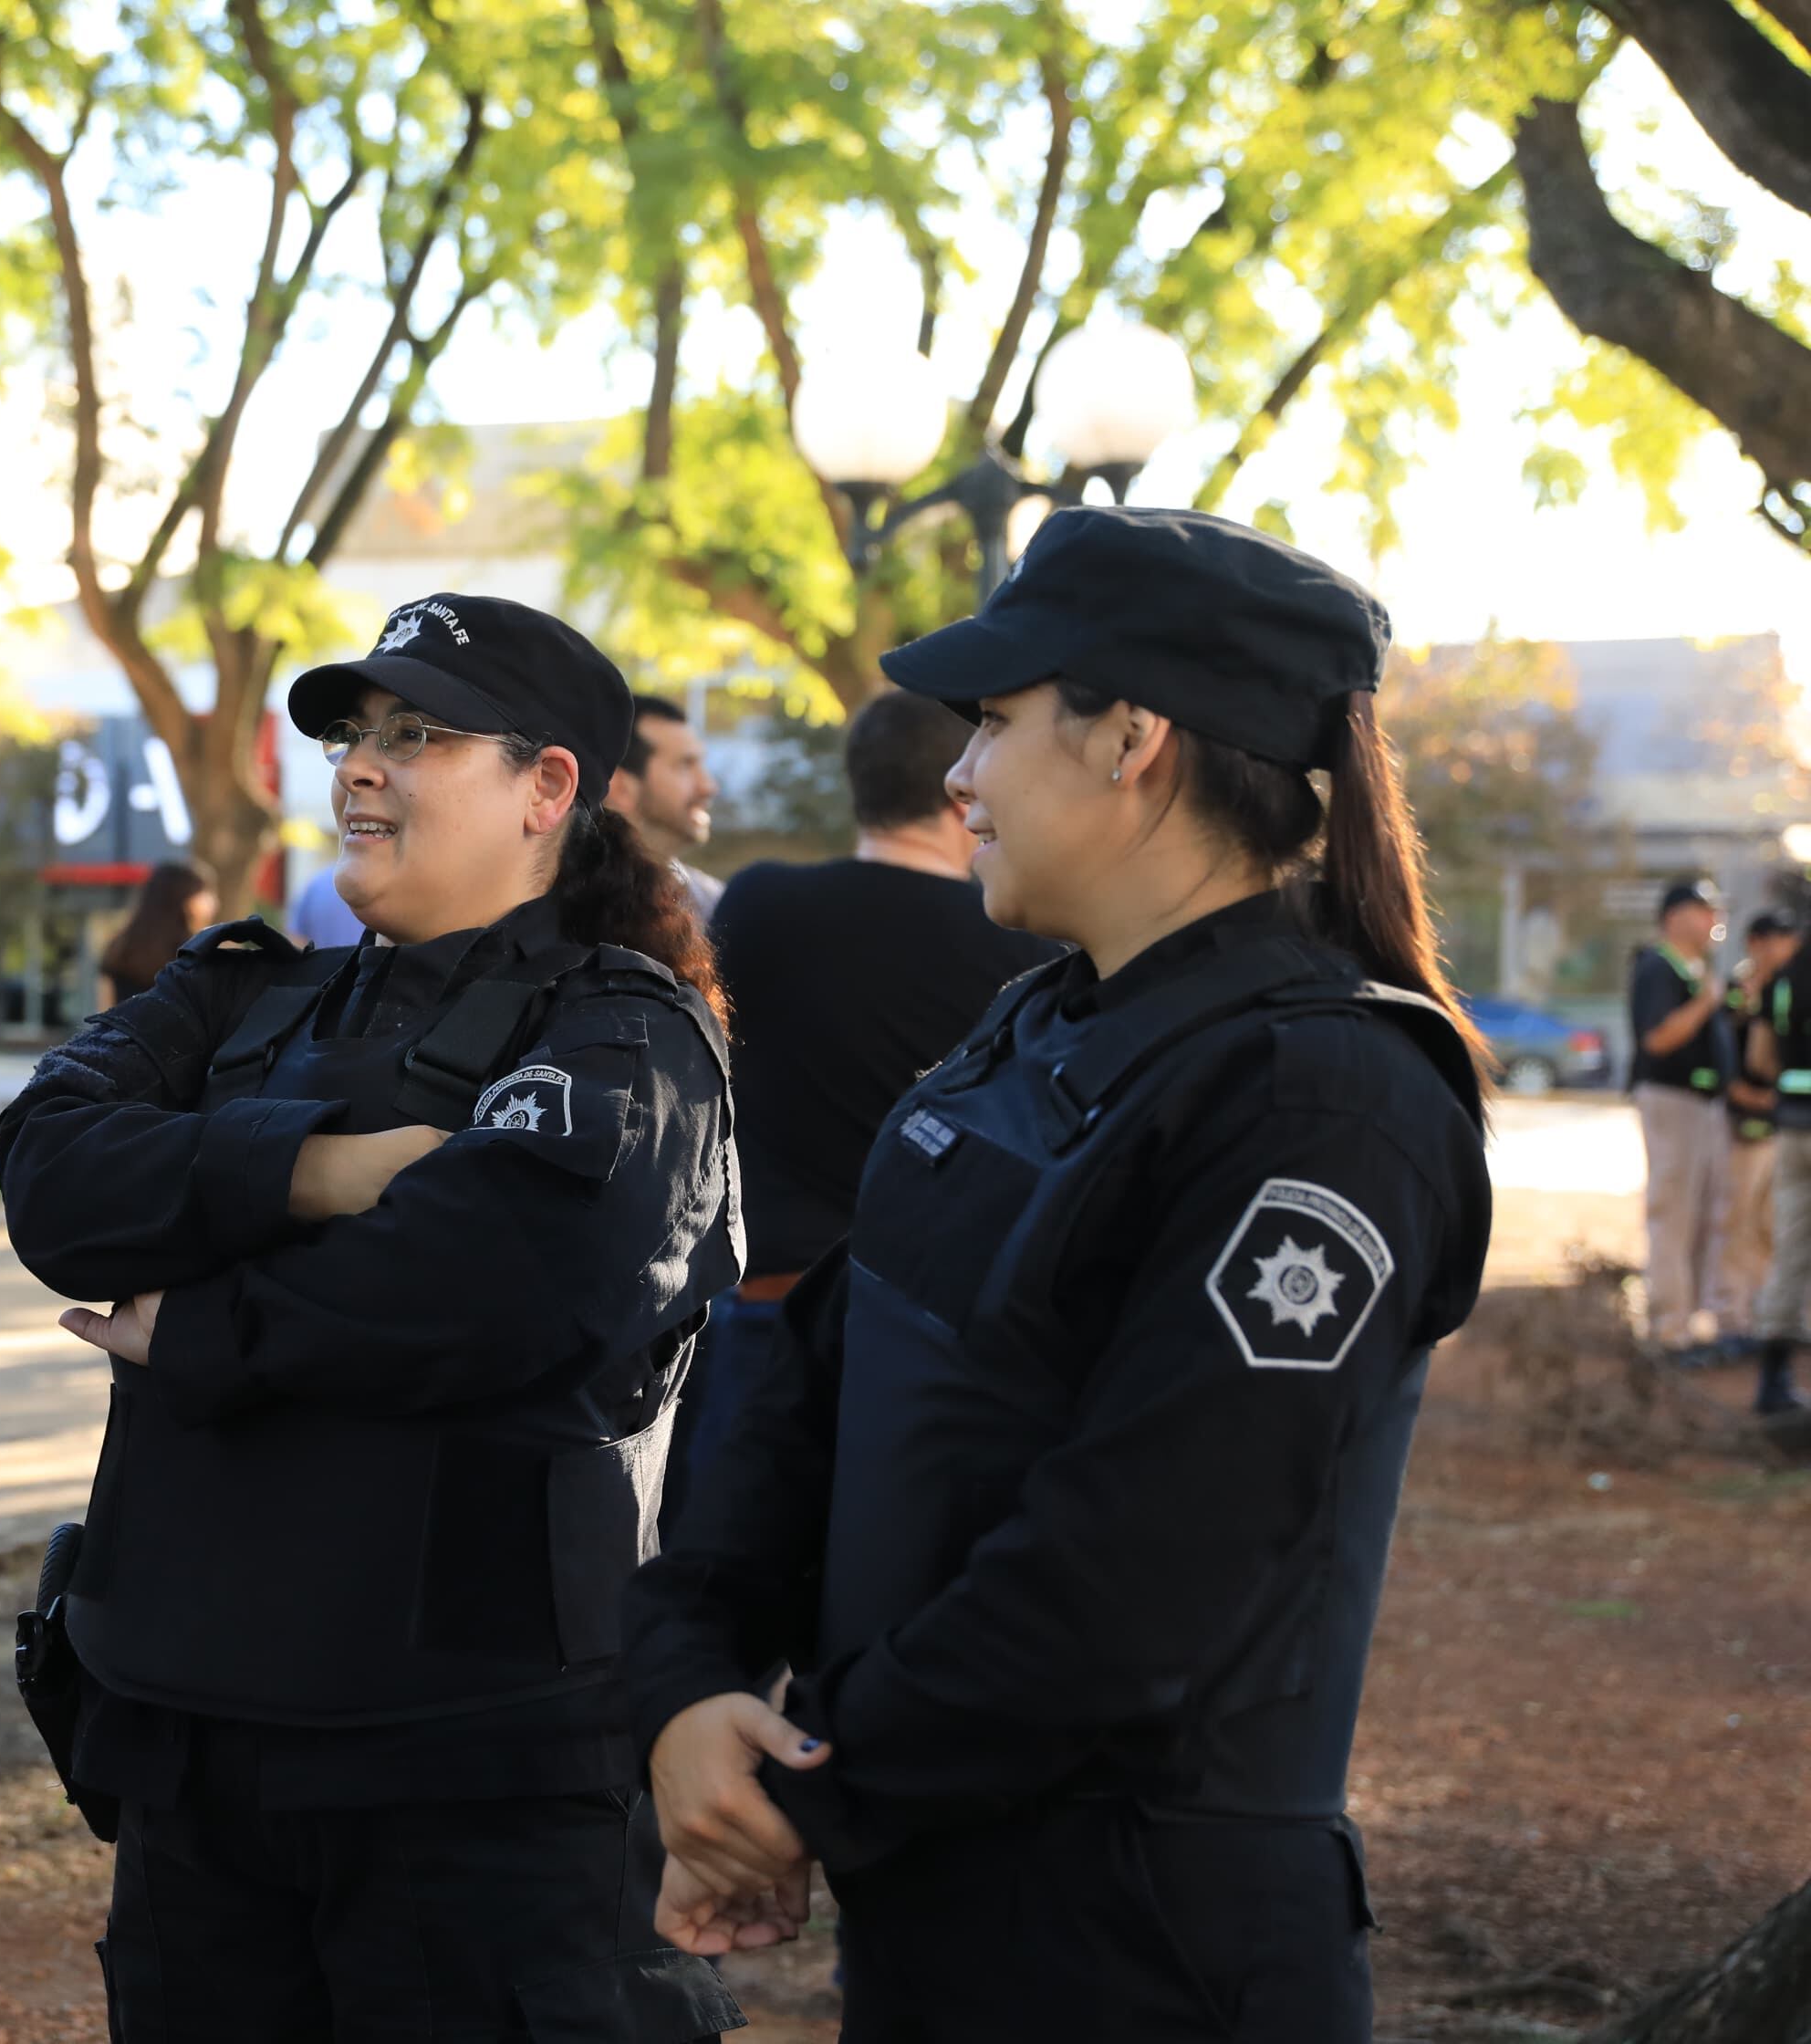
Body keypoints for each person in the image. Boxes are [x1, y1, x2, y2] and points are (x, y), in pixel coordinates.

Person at [630, 506, 1492, 2043]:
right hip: (943, 1916)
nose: (956, 777)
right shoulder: (1034, 1030)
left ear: (1132, 739)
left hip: (1146, 1954)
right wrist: (691, 1682)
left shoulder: (1323, 1094)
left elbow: (1137, 1570)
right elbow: (815, 1380)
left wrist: (802, 1785)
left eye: (996, 722)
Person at [0, 590, 746, 2041]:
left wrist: (200, 1326)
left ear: (548, 790)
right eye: (355, 734)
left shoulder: (628, 1032)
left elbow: (500, 1284)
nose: (359, 767)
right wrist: (319, 1168)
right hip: (195, 1770)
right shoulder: (244, 999)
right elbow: (51, 1175)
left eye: (420, 735)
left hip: (469, 1788)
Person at [667, 691, 1063, 1521]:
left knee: (723, 1591)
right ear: (963, 791)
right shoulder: (1020, 946)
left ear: (860, 783)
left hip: (765, 1307)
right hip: (930, 1327)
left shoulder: (762, 904)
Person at [1629, 878, 1731, 1356]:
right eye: (1702, 910)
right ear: (1674, 917)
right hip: (1672, 1100)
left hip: (1702, 1103)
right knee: (1672, 1211)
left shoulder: (1696, 968)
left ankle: (1688, 1320)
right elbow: (1657, 1039)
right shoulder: (1657, 965)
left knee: (1702, 1214)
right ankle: (1669, 1326)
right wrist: (1706, 1003)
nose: (1713, 920)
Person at [1713, 911, 1796, 1351]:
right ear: (1755, 944)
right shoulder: (1736, 993)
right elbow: (1728, 1054)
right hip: (1743, 1126)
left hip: (1781, 1126)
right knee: (1737, 1222)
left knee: (1772, 1227)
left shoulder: (1790, 987)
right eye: (1772, 941)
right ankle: (1734, 1316)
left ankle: (1766, 1317)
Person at [1738, 930, 1811, 1417]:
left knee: (1789, 1250)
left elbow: (1758, 1060)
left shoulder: (1784, 978)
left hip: (1791, 1129)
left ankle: (1772, 1383)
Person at [609, 692, 723, 918]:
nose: (709, 787)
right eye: (685, 765)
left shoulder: (716, 904)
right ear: (621, 788)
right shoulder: (563, 908)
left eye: (700, 764)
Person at [98, 858, 220, 1007]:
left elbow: (106, 1008)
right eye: (205, 894)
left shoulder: (120, 948)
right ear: (185, 900)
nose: (214, 903)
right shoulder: (197, 954)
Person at [286, 855, 368, 949]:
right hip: (365, 961)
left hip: (322, 961)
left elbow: (296, 941)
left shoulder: (316, 884)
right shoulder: (376, 887)